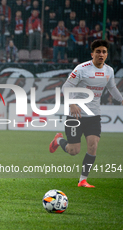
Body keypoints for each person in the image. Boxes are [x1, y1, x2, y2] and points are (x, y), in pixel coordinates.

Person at [49, 39, 123, 188]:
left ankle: (82, 180)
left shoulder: (109, 70)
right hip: (75, 115)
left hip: (94, 115)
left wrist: (121, 99)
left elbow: (112, 88)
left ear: (107, 54)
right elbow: (65, 87)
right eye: (98, 52)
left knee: (93, 146)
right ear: (92, 54)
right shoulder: (81, 69)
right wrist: (72, 103)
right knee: (73, 150)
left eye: (104, 52)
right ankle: (58, 141)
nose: (101, 54)